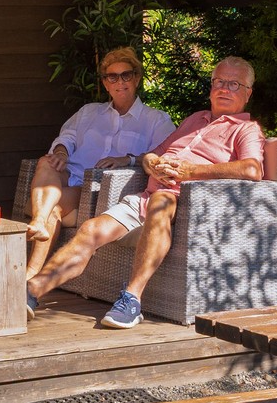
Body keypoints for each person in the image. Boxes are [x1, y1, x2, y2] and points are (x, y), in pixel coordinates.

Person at [27, 57, 264, 329]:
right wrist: (152, 163)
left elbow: (252, 169)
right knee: (91, 230)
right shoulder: (194, 120)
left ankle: (132, 299)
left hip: (184, 201)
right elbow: (153, 154)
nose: (224, 89)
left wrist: (191, 172)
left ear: (248, 93)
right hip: (147, 196)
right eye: (219, 81)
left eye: (234, 84)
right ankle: (32, 290)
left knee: (161, 201)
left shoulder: (246, 129)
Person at [23, 47, 174, 276]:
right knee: (47, 161)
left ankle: (31, 271)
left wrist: (128, 159)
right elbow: (67, 137)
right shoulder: (89, 112)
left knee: (54, 208)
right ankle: (40, 220)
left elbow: (163, 156)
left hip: (93, 187)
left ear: (136, 79)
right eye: (112, 77)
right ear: (105, 83)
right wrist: (61, 152)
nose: (119, 82)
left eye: (126, 75)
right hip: (68, 174)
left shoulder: (156, 119)